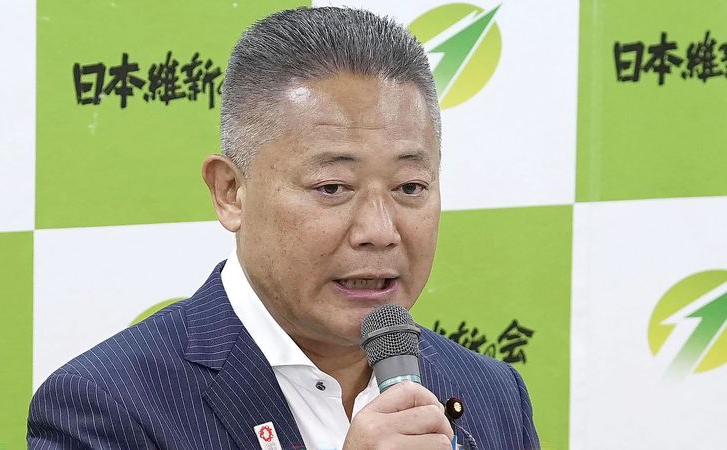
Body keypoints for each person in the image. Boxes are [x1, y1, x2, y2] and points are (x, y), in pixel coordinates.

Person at [27, 7, 539, 450]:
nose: (379, 231)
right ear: (231, 191)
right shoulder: (108, 405)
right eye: (333, 187)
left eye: (409, 187)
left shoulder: (493, 393)